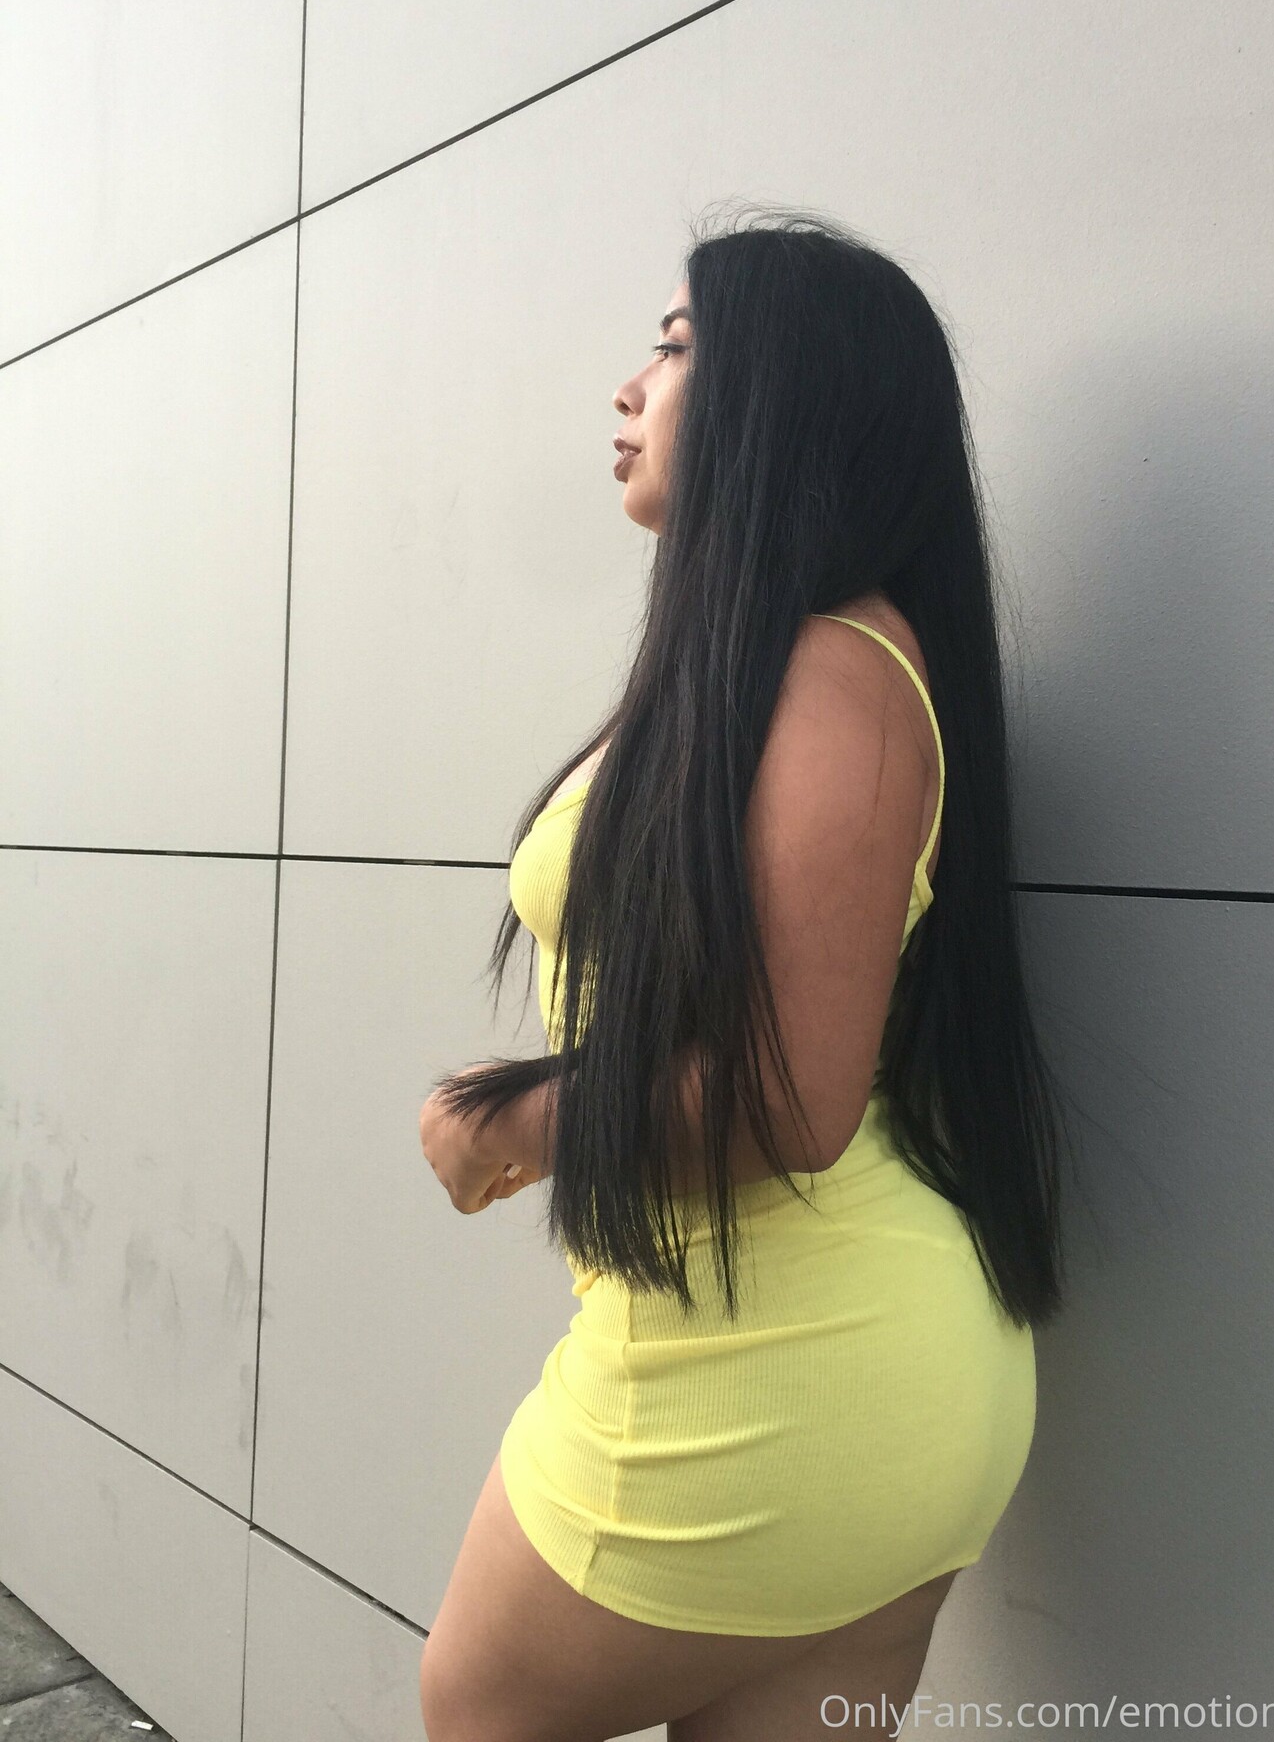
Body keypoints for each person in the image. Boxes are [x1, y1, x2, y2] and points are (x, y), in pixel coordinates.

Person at [417, 208, 1078, 1742]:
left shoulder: (834, 675)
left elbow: (782, 1105)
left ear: (786, 397)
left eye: (675, 348)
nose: (630, 387)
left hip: (761, 1383)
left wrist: (501, 1122)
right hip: (866, 1405)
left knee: (474, 1710)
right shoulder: (793, 662)